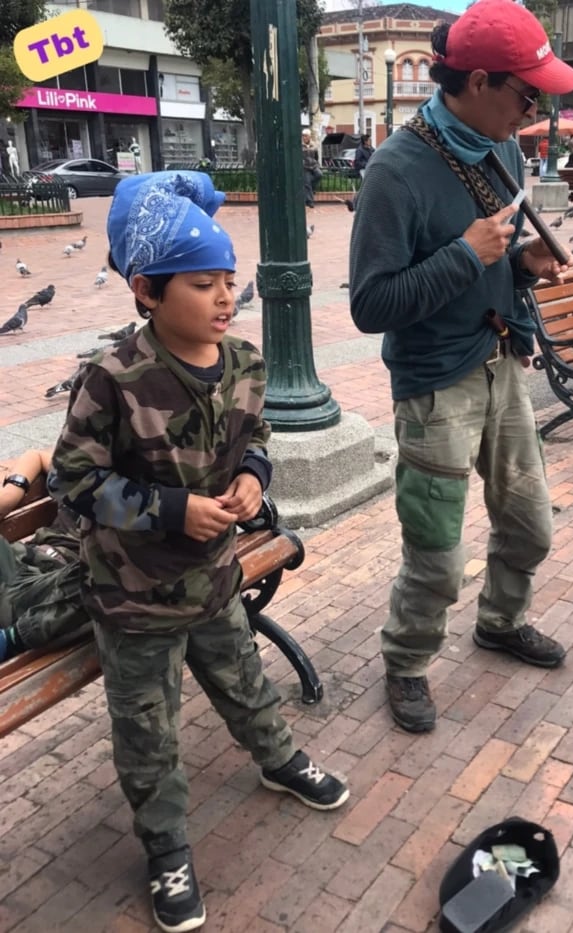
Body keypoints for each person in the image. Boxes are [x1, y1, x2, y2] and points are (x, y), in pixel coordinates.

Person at [48, 171, 349, 933]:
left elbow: (258, 442)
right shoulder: (114, 377)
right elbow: (74, 481)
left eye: (228, 280)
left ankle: (279, 759)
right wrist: (171, 508)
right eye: (202, 283)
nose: (224, 298)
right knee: (149, 731)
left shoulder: (243, 363)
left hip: (214, 586)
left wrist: (252, 480)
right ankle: (166, 845)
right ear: (147, 290)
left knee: (246, 683)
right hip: (136, 600)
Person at [349, 0, 573, 733]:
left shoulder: (501, 148)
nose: (533, 109)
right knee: (436, 556)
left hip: (502, 363)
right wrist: (464, 256)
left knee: (531, 525)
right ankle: (407, 660)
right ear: (478, 81)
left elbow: (495, 259)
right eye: (526, 93)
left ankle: (500, 621)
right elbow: (370, 304)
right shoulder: (396, 170)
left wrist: (522, 266)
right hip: (435, 385)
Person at [0, 449, 87, 662]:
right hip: (23, 557)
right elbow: (36, 456)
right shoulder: (92, 470)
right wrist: (11, 494)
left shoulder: (154, 499)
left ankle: (8, 641)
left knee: (120, 570)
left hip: (56, 587)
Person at [301, 129, 323, 207]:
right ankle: (310, 201)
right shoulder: (300, 145)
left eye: (306, 136)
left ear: (309, 136)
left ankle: (312, 189)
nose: (304, 137)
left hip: (313, 166)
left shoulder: (314, 145)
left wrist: (316, 164)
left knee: (319, 175)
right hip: (305, 167)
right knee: (307, 183)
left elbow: (316, 156)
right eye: (303, 136)